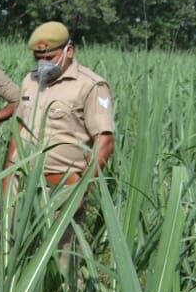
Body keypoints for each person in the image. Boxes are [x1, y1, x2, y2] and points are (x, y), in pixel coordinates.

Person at [7, 22, 115, 187]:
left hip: (59, 186)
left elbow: (105, 142)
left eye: (49, 58)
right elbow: (19, 129)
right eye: (38, 57)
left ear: (69, 51)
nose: (43, 63)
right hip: (20, 180)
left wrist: (80, 191)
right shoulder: (30, 80)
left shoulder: (90, 85)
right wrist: (6, 180)